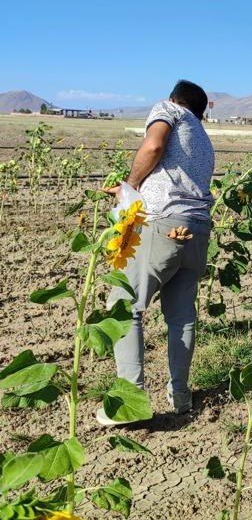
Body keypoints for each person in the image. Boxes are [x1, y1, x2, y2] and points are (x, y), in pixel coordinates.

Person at [97, 79, 215, 425]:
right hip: (197, 228)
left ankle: (127, 402)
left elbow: (153, 146)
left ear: (174, 99)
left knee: (125, 305)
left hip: (163, 222)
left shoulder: (169, 111)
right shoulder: (204, 139)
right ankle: (180, 395)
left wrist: (130, 185)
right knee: (182, 316)